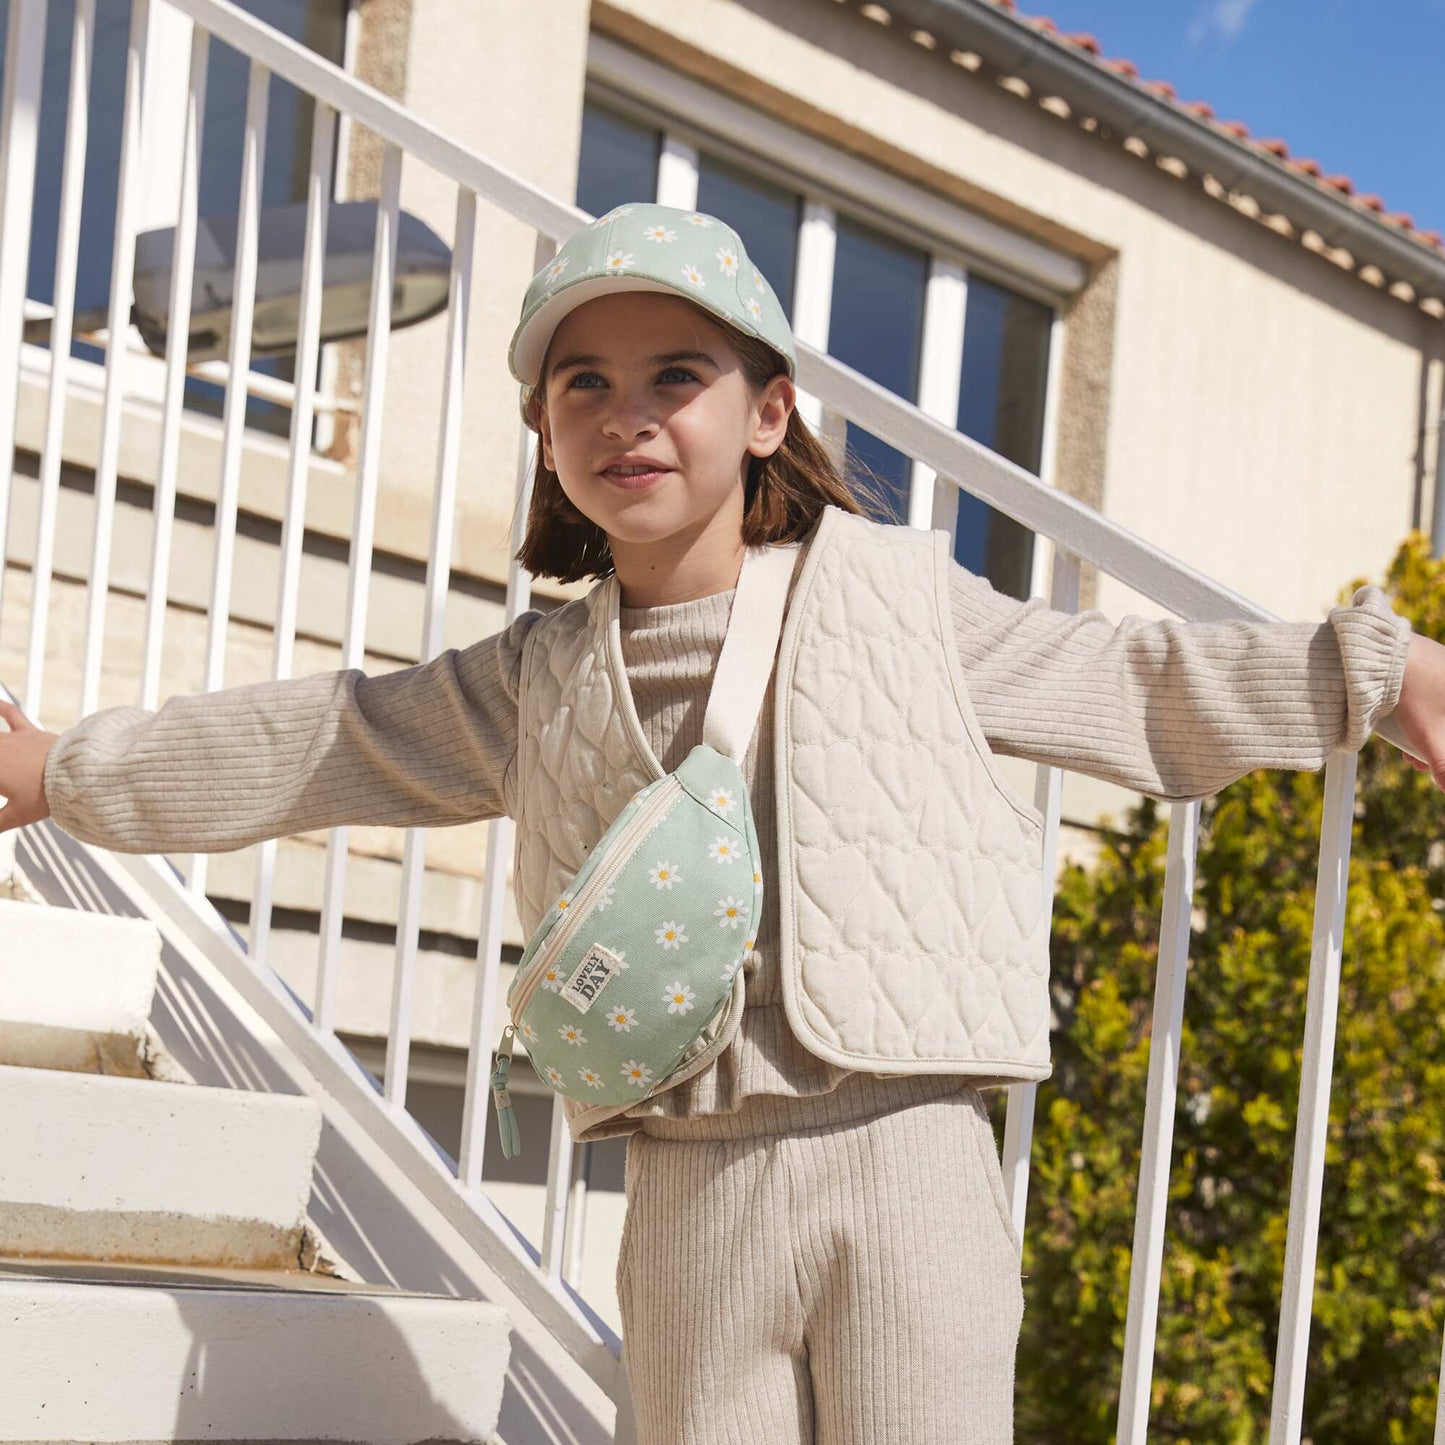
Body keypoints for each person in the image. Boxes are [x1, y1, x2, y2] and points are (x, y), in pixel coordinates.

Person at [2, 200, 1443, 1443]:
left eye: (675, 374)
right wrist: (66, 770)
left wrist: (1377, 669)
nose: (624, 413)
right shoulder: (537, 675)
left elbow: (1132, 682)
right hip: (689, 1185)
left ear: (766, 413)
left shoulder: (893, 596)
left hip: (910, 1157)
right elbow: (325, 739)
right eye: (581, 385)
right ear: (545, 437)